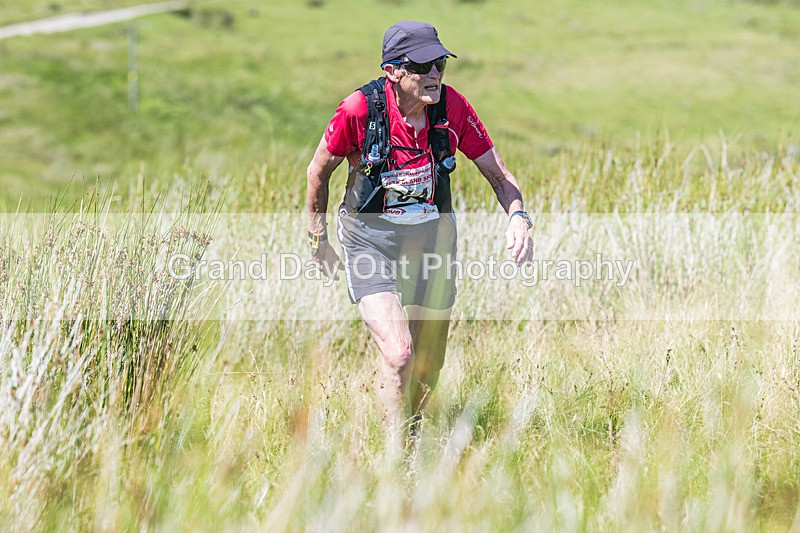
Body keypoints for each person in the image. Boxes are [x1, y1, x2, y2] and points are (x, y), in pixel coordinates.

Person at [306, 20, 533, 449]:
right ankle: (397, 456)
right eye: (422, 66)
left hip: (432, 240)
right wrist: (318, 239)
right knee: (399, 352)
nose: (434, 74)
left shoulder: (451, 108)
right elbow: (318, 172)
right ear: (392, 70)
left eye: (440, 63)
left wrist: (519, 217)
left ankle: (414, 431)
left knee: (428, 362)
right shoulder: (358, 111)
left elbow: (499, 175)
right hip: (370, 239)